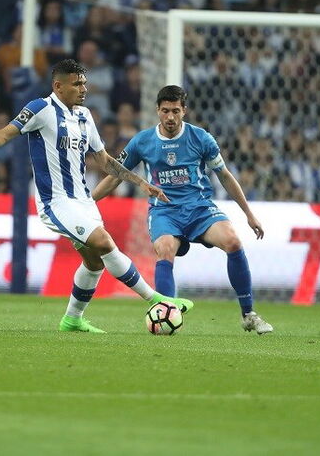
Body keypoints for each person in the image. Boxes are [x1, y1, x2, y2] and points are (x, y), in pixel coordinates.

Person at [0, 59, 193, 333]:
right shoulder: (40, 109)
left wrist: (140, 182)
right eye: (77, 83)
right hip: (55, 202)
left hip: (84, 201)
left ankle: (72, 319)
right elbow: (4, 134)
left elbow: (104, 160)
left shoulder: (84, 115)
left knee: (93, 262)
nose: (83, 88)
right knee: (104, 243)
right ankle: (157, 299)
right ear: (58, 85)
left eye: (84, 82)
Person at [91, 85, 273, 335]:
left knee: (232, 241)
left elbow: (225, 176)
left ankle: (248, 314)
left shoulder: (201, 138)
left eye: (175, 111)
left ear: (184, 111)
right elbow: (115, 176)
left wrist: (248, 214)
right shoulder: (142, 141)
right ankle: (168, 312)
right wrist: (89, 202)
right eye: (165, 111)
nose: (170, 117)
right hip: (164, 211)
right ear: (157, 111)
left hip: (199, 208)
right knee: (165, 250)